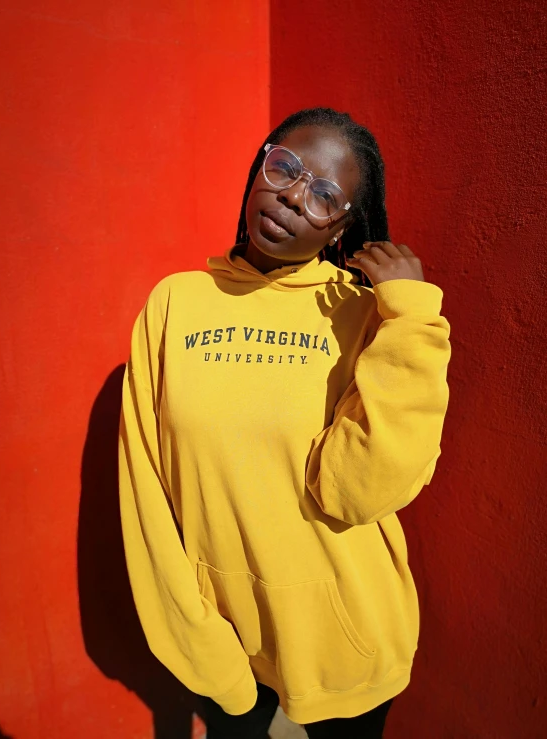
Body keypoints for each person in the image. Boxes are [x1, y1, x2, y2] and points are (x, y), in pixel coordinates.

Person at [118, 107, 452, 737]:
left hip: (347, 637)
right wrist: (194, 634)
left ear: (339, 229)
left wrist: (409, 324)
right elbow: (147, 492)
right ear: (259, 168)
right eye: (285, 168)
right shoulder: (174, 303)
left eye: (325, 195)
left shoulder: (361, 315)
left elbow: (358, 494)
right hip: (226, 629)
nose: (294, 197)